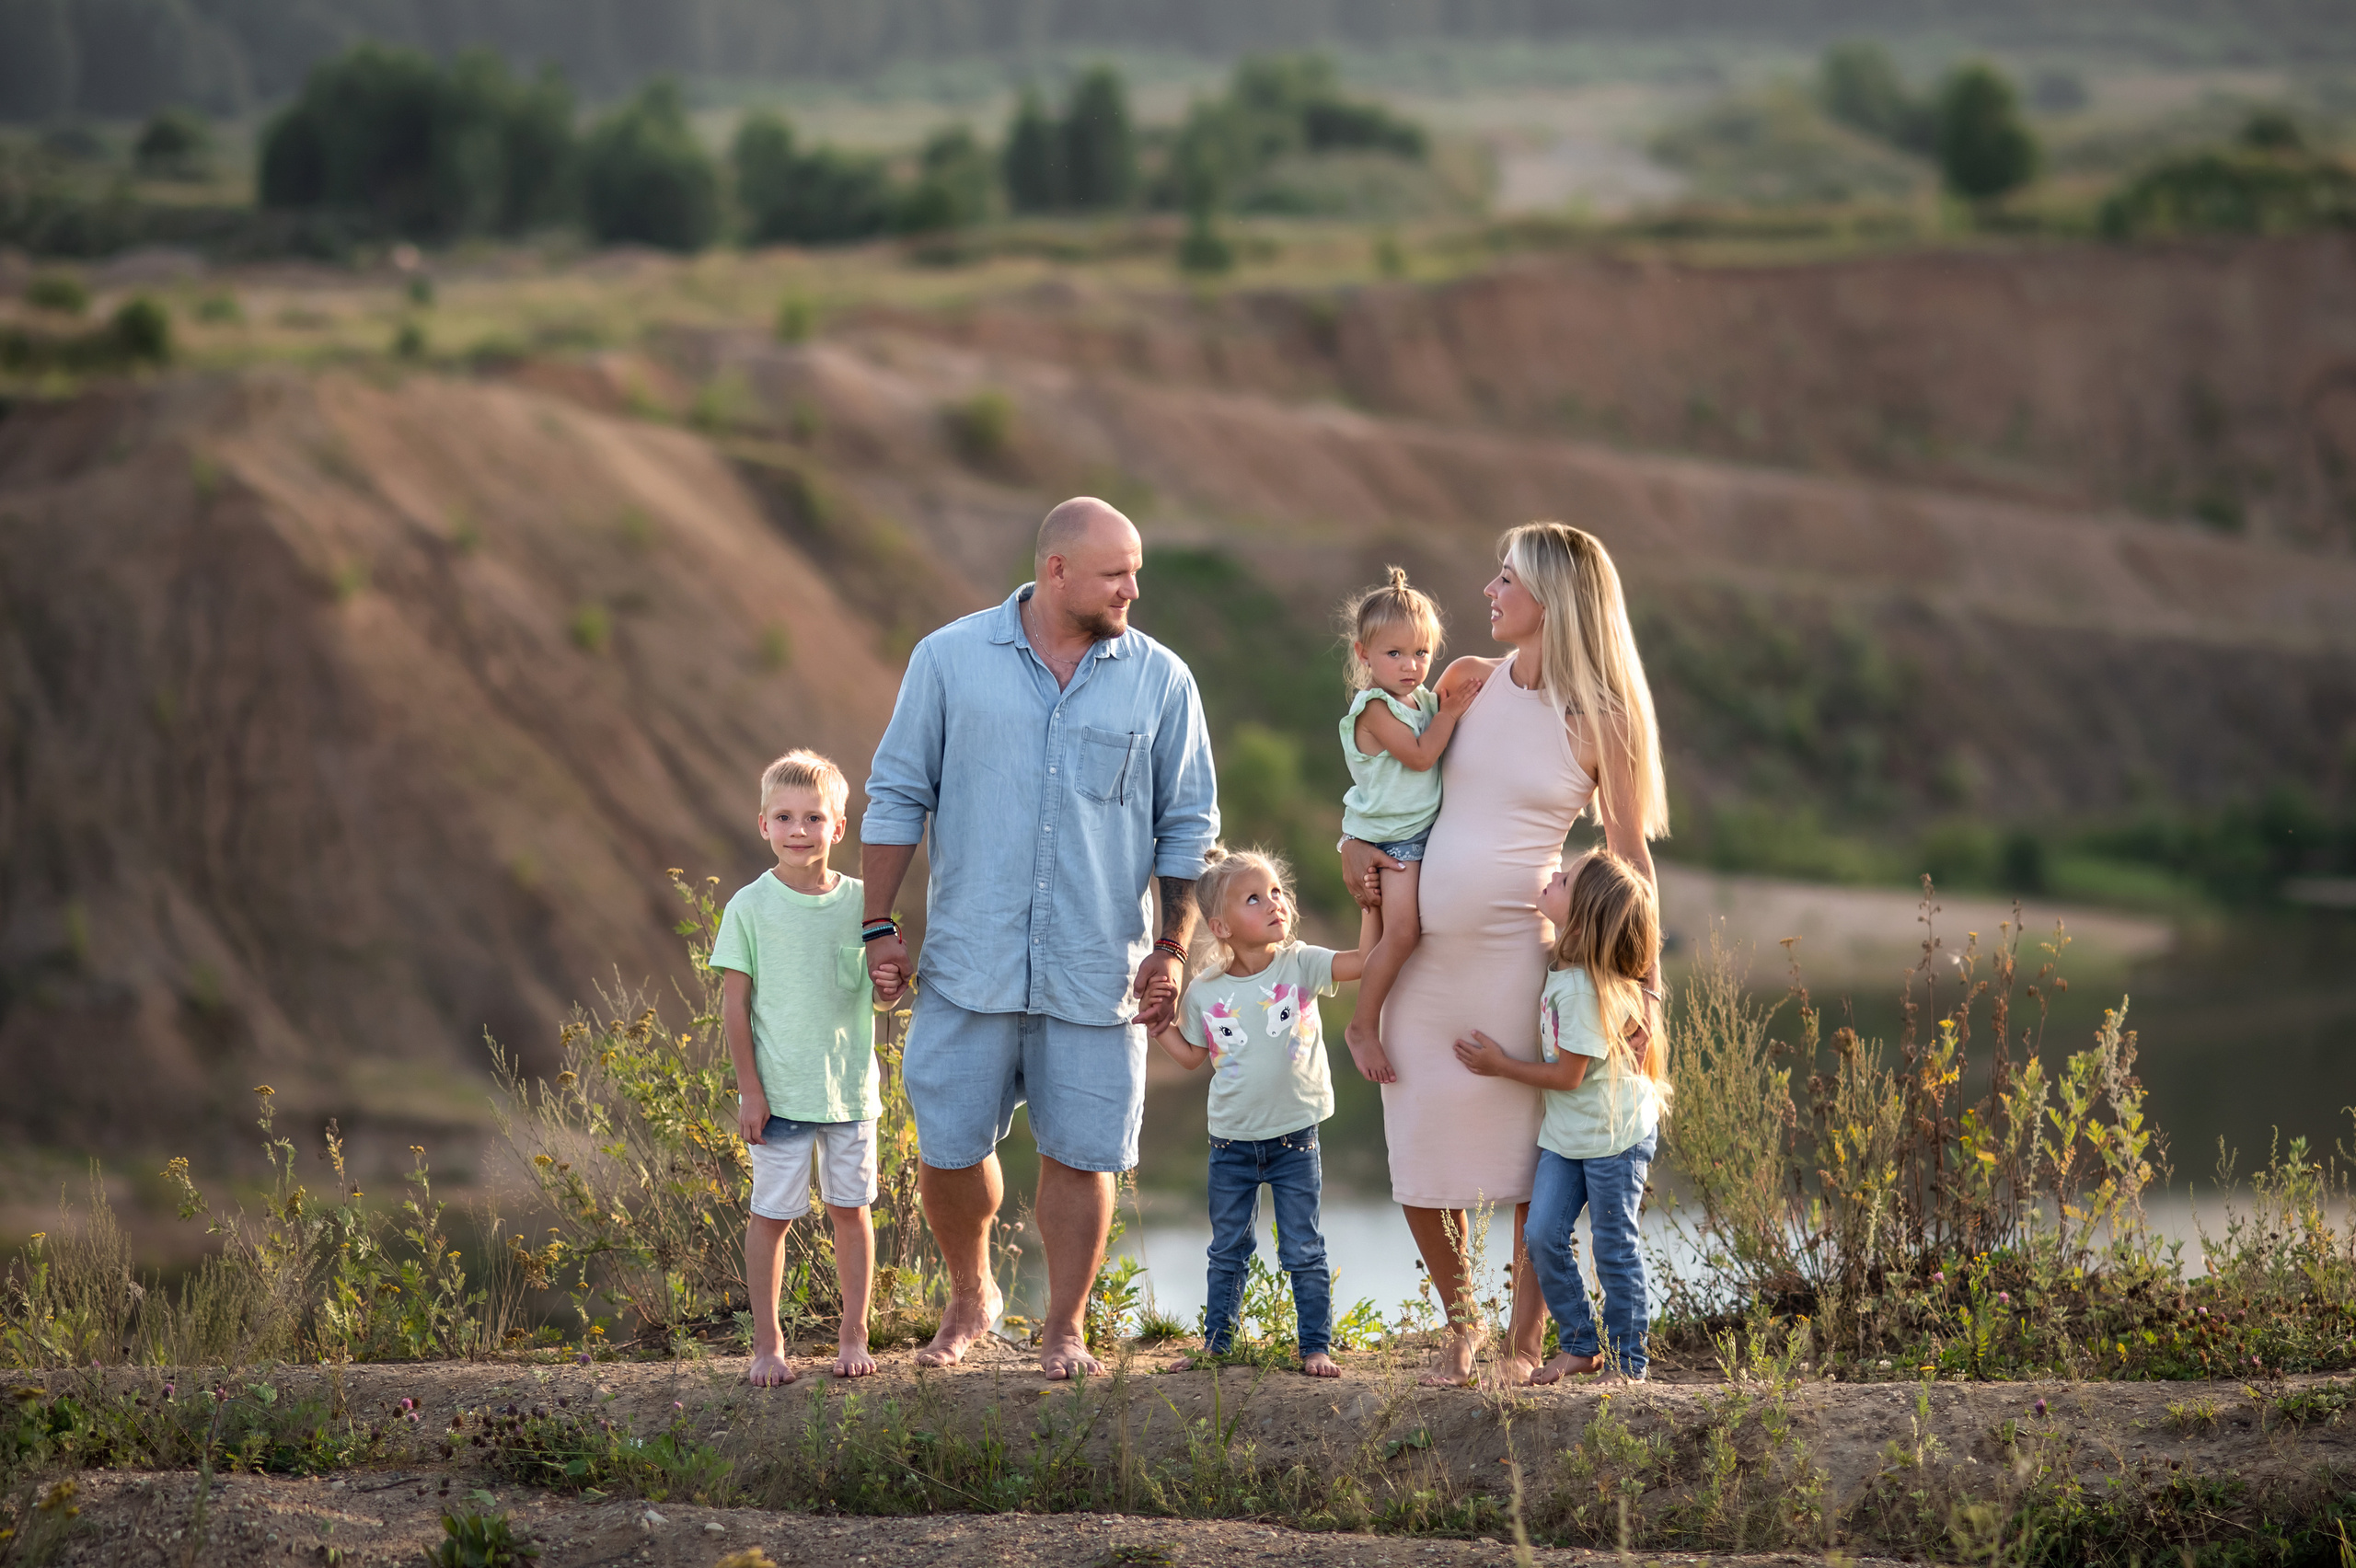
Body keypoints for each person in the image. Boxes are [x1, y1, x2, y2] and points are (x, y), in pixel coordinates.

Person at [860, 496, 1219, 1380]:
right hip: (967, 963)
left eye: (1135, 571)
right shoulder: (947, 660)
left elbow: (1187, 829)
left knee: (1084, 1153)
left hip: (1098, 971)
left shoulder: (1162, 681)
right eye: (1115, 574)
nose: (1134, 588)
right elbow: (898, 794)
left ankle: (1064, 1327)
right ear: (1056, 571)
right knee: (949, 1150)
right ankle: (971, 1293)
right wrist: (877, 924)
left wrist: (1171, 949)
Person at [1341, 522, 1669, 1388]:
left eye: (1506, 579)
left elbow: (1630, 858)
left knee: (1535, 1165)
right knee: (1417, 1153)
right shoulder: (1466, 684)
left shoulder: (1600, 718)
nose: (1487, 591)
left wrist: (1645, 992)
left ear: (1551, 599)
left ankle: (1527, 1346)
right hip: (1424, 966)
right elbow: (1386, 787)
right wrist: (1355, 852)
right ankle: (1463, 1325)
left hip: (1526, 968)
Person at [1146, 846, 1380, 1378]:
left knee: (1303, 1247)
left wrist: (1369, 905)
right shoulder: (1205, 992)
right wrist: (1161, 1030)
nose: (1275, 903)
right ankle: (1218, 1343)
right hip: (1230, 1142)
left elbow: (1364, 962)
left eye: (1276, 892)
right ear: (1221, 926)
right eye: (1256, 898)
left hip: (1296, 1138)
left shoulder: (1302, 963)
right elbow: (1190, 1059)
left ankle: (1315, 1346)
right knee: (1228, 1248)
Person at [1453, 850, 1669, 1384]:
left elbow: (1569, 1076)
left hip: (1613, 1137)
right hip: (1569, 1134)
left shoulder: (1579, 989)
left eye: (1565, 878)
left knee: (1613, 1245)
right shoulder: (1569, 973)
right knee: (1544, 1231)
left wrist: (1500, 1065)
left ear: (1585, 915)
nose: (1551, 876)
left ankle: (1628, 1363)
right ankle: (1579, 1344)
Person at [713, 750, 881, 1387]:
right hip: (778, 1099)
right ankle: (767, 1345)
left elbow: (882, 989)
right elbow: (735, 1006)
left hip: (849, 1097)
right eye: (784, 817)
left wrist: (890, 981)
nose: (799, 830)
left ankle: (853, 1333)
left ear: (839, 828)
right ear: (763, 825)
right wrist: (749, 1091)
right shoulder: (749, 907)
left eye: (814, 818)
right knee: (772, 1217)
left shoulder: (865, 904)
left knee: (851, 1211)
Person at [1334, 567, 1474, 1083]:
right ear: (1363, 655)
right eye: (1394, 654)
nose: (1410, 665)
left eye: (1420, 653)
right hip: (1390, 837)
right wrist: (1452, 714)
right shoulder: (1374, 707)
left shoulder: (1424, 701)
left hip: (1416, 834)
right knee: (1403, 934)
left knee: (1396, 935)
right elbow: (1419, 757)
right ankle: (1362, 1027)